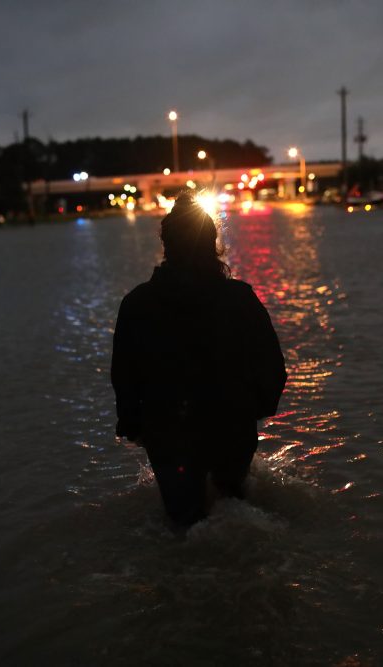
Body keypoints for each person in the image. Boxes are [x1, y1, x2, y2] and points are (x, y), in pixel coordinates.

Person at [111, 193, 287, 525]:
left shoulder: (137, 305)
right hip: (232, 428)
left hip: (168, 435)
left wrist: (135, 427)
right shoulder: (241, 299)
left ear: (167, 245)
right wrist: (254, 410)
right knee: (236, 515)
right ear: (213, 242)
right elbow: (273, 369)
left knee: (182, 528)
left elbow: (124, 379)